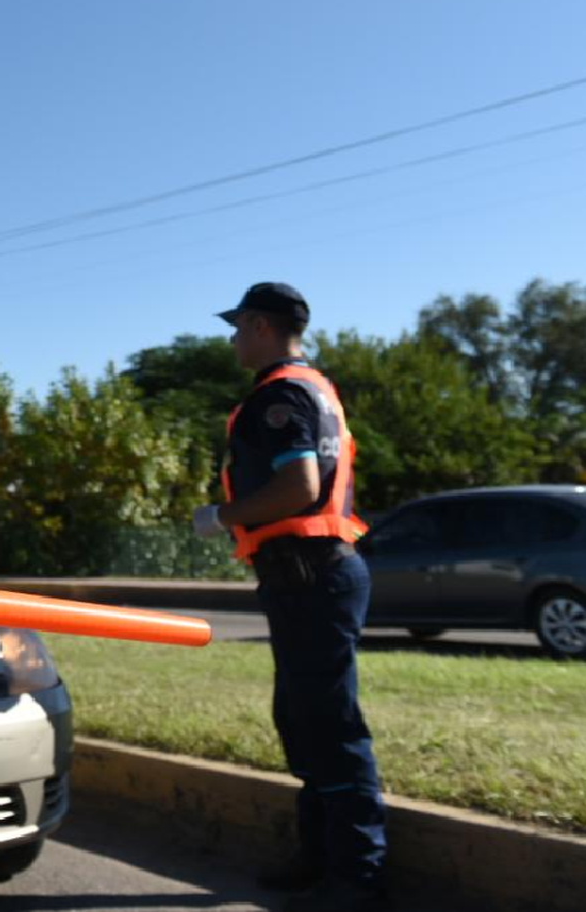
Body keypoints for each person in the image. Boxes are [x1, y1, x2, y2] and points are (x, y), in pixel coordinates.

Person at [191, 283, 388, 912]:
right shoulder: (315, 388)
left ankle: (357, 876)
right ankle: (320, 859)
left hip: (312, 575)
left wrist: (221, 516)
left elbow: (299, 486)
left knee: (329, 726)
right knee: (306, 720)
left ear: (259, 325)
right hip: (313, 574)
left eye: (238, 328)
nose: (232, 341)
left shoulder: (277, 396)